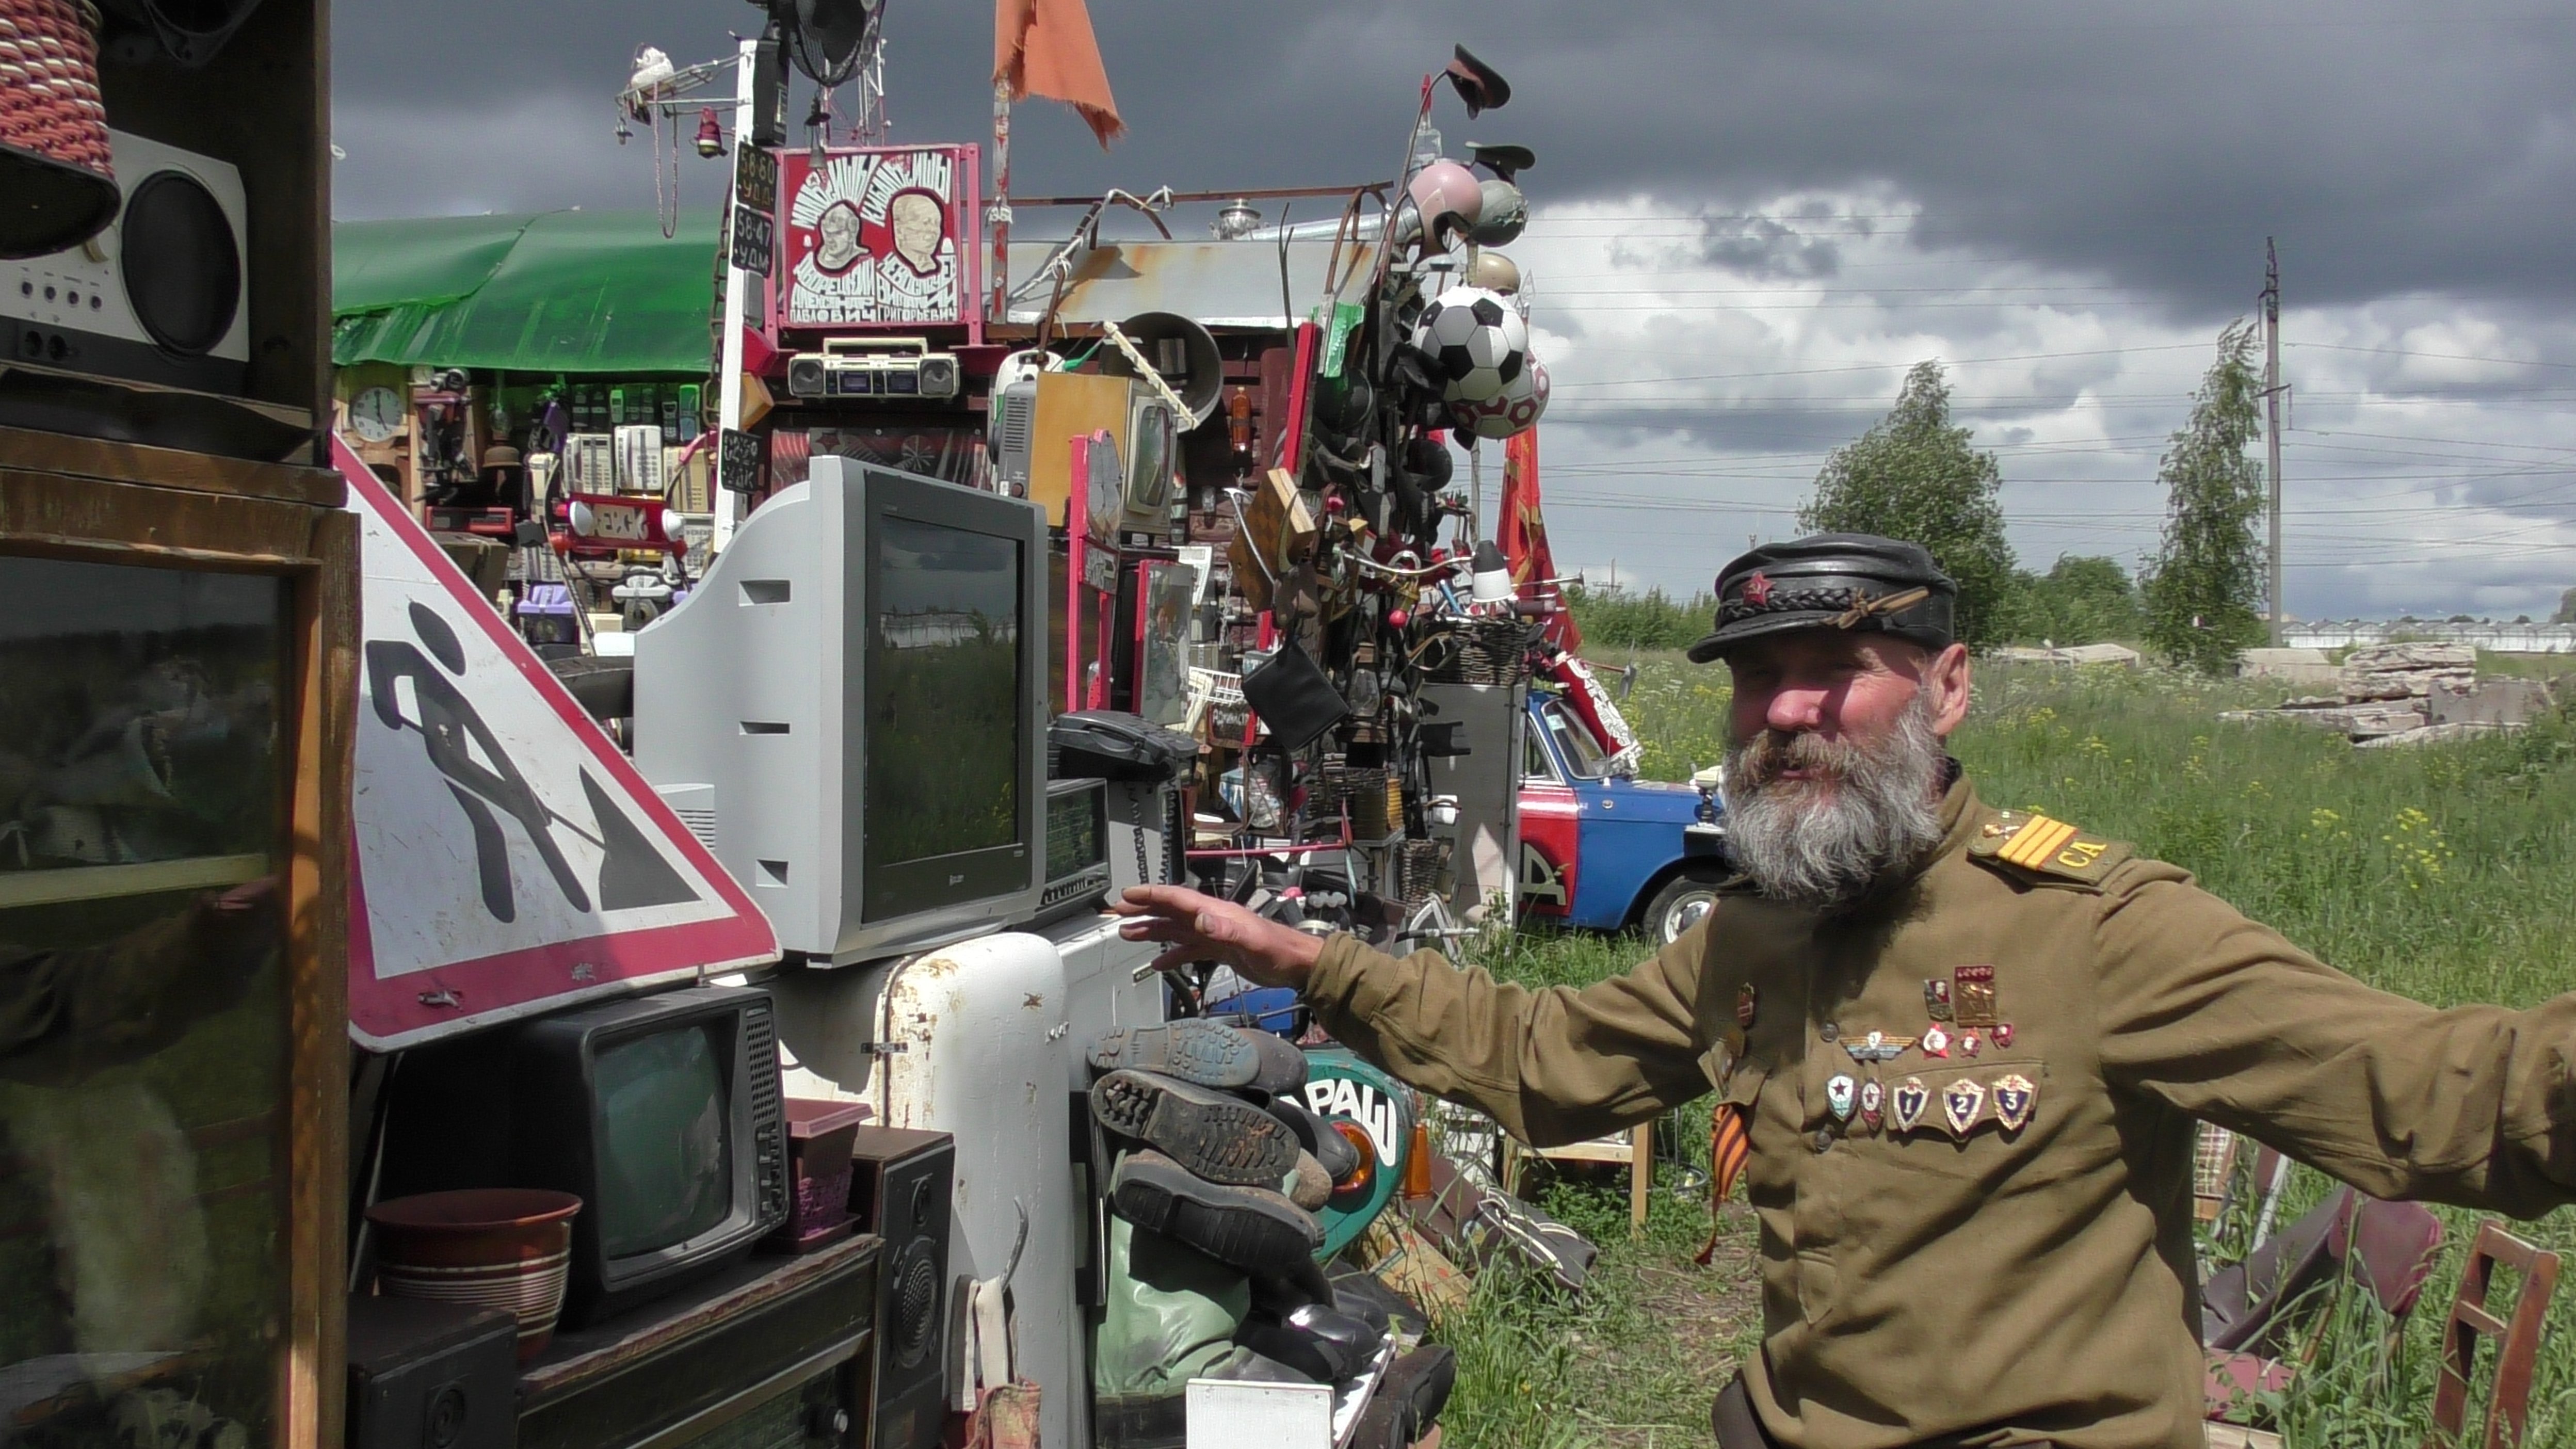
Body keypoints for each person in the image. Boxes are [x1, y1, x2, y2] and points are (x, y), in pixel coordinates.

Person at [1115, 533, 2576, 1449]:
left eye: (1838, 671)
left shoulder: (2096, 929)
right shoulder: (1763, 932)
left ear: (1946, 691)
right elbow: (1548, 1057)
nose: (1790, 713)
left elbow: (2447, 1099)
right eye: (1761, 683)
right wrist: (1311, 963)